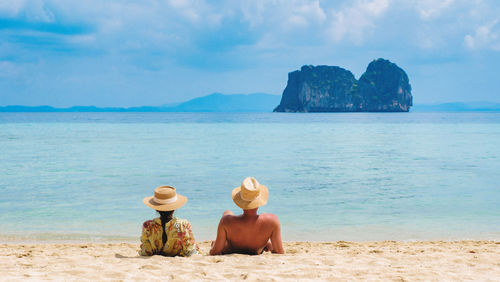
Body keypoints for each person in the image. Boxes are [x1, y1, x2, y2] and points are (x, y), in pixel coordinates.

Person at [209, 177, 284, 255]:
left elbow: (215, 252)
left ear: (241, 202)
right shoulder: (273, 221)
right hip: (256, 249)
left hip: (232, 249)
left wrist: (213, 246)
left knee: (227, 212)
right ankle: (265, 243)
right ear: (259, 202)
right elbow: (279, 252)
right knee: (265, 218)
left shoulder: (225, 221)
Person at [139, 185, 198, 256]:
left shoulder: (147, 226)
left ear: (156, 209)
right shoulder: (183, 225)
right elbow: (190, 252)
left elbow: (146, 251)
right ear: (174, 208)